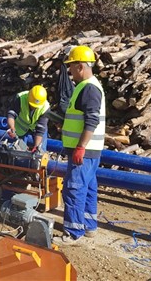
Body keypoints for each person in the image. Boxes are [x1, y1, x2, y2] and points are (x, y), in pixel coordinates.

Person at [58, 45, 106, 244]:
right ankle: (89, 225)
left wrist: (80, 147)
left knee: (74, 188)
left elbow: (91, 120)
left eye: (71, 67)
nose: (69, 72)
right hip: (89, 151)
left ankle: (73, 232)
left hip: (84, 152)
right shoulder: (86, 86)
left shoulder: (89, 88)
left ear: (80, 66)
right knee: (87, 187)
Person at [6, 85, 50, 153]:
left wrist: (36, 147)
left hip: (35, 128)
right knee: (17, 151)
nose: (33, 107)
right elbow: (11, 114)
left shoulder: (45, 108)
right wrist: (12, 127)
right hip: (19, 128)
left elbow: (40, 130)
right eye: (32, 105)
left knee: (39, 152)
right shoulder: (20, 98)